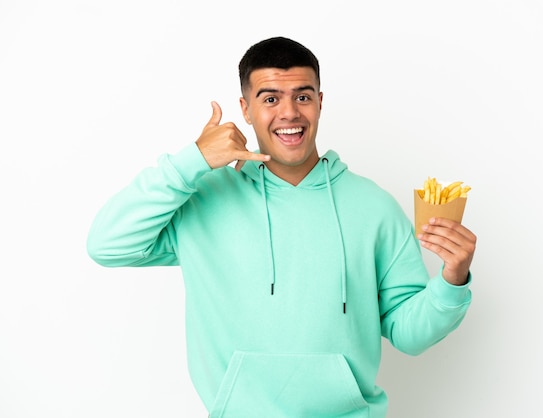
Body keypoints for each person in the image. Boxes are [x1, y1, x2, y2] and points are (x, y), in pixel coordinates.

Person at [87, 36, 476, 418]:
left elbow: (409, 334)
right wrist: (195, 160)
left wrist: (452, 281)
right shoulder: (202, 200)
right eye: (270, 98)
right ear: (246, 108)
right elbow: (108, 244)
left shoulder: (374, 208)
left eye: (303, 97)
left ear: (320, 103)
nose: (289, 113)